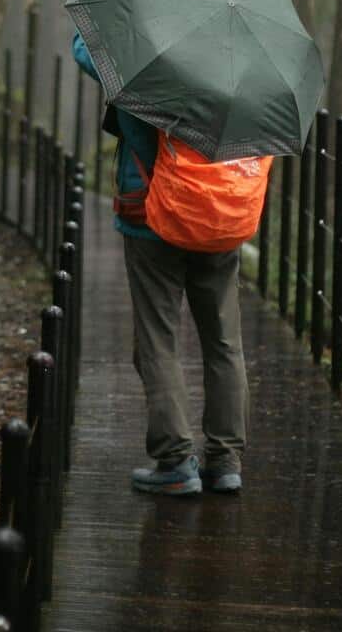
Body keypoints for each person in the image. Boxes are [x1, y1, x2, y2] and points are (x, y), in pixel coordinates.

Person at [73, 32, 247, 496]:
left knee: (157, 339)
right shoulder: (235, 59)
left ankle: (175, 460)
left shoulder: (140, 52)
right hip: (218, 212)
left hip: (152, 214)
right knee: (223, 341)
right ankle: (225, 461)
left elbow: (86, 50)